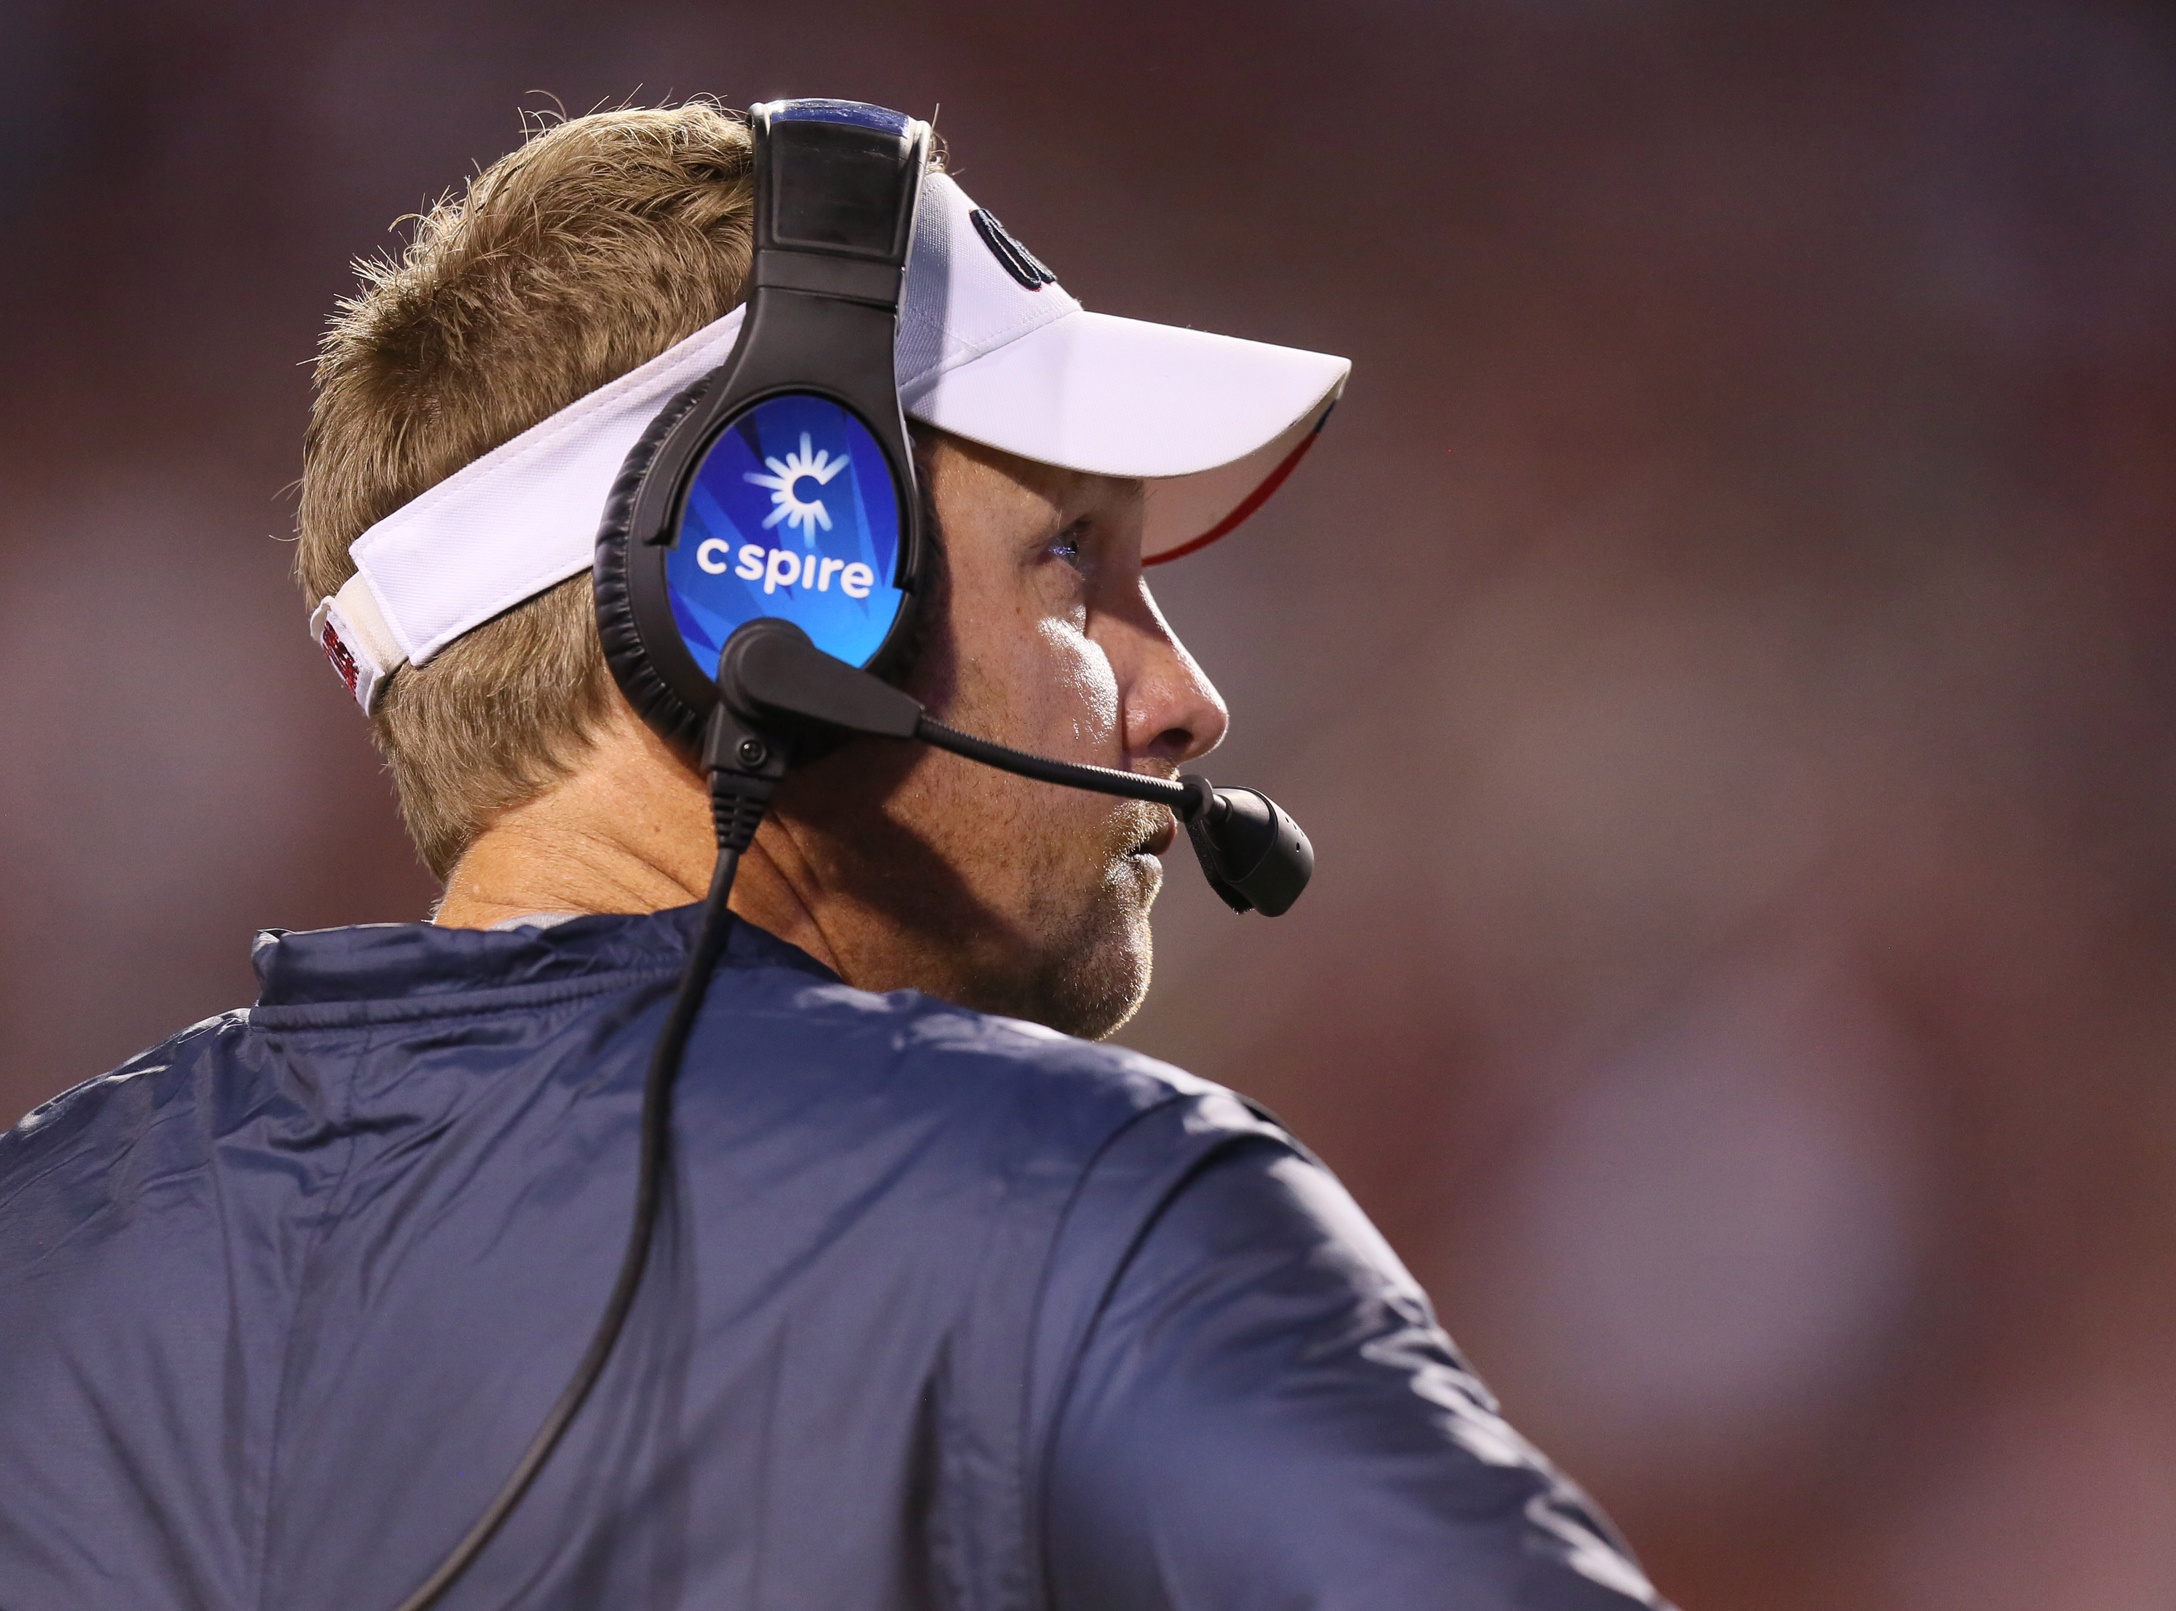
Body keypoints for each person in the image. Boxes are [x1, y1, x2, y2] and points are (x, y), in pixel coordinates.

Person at [0, 102, 1668, 1610]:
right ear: (766, 601)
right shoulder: (1087, 1203)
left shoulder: (37, 1251)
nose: (1185, 699)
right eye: (1074, 563)